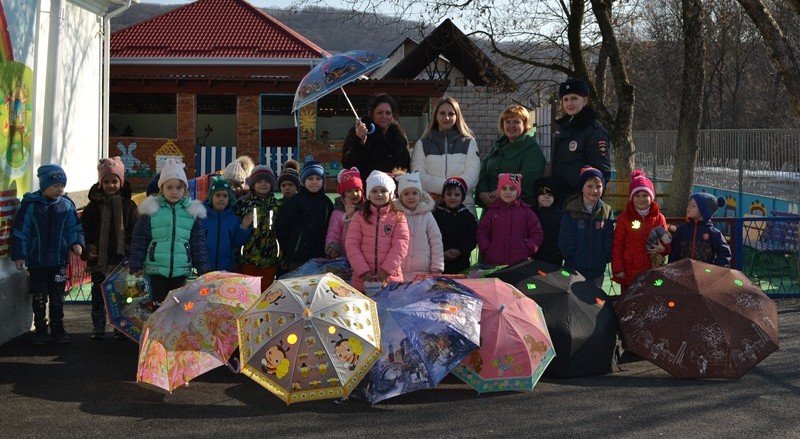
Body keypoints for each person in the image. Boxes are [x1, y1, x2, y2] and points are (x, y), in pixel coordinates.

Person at [11, 164, 85, 345]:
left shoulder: (66, 206)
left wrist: (76, 243)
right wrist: (20, 255)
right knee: (39, 296)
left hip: (59, 260)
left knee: (58, 296)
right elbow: (20, 231)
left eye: (62, 185)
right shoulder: (31, 206)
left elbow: (74, 228)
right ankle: (41, 329)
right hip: (37, 261)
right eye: (55, 185)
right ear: (44, 185)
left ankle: (58, 328)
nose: (59, 189)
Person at [130, 159, 210, 306]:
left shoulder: (191, 212)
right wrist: (136, 263)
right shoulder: (151, 210)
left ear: (185, 189)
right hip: (156, 270)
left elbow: (198, 243)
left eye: (179, 187)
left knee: (177, 309)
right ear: (162, 188)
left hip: (181, 271)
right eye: (169, 187)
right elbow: (139, 239)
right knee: (158, 308)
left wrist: (203, 267)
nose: (174, 191)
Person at [81, 157, 139, 340]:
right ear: (100, 183)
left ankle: (121, 328)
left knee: (123, 295)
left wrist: (132, 250)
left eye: (114, 181)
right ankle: (98, 328)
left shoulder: (129, 206)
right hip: (99, 258)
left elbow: (135, 230)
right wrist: (88, 247)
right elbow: (86, 230)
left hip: (122, 259)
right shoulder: (92, 207)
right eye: (106, 181)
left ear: (121, 182)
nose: (110, 185)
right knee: (98, 295)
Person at [411, 96, 480, 215]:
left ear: (457, 116)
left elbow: (472, 175)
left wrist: (452, 193)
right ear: (435, 116)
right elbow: (418, 176)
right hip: (431, 209)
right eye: (442, 113)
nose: (446, 117)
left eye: (451, 114)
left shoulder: (469, 142)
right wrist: (449, 189)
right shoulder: (422, 144)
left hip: (464, 209)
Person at [345, 170, 409, 293]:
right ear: (368, 194)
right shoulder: (359, 216)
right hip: (362, 281)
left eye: (383, 190)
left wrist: (386, 271)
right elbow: (352, 245)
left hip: (390, 280)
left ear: (390, 194)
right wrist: (362, 271)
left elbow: (401, 246)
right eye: (374, 191)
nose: (379, 194)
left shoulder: (398, 217)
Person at [551, 78, 612, 204]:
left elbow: (601, 171)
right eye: (565, 99)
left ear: (584, 100)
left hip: (581, 201)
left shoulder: (594, 130)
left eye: (574, 98)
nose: (569, 103)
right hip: (560, 198)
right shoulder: (562, 128)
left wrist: (590, 200)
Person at [475, 105, 546, 208]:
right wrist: (482, 192)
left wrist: (500, 192)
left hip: (518, 209)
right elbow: (483, 171)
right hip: (491, 207)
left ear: (525, 124)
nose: (511, 125)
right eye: (507, 122)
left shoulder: (532, 149)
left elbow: (528, 178)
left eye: (516, 122)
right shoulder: (498, 146)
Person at [611, 171, 668, 292]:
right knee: (629, 303)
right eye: (637, 195)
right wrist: (618, 269)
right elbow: (617, 245)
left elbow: (666, 242)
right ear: (631, 198)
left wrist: (664, 249)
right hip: (630, 271)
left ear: (651, 197)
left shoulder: (659, 218)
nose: (641, 199)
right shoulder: (624, 218)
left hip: (652, 270)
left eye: (645, 195)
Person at [558, 166, 613, 286]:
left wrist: (605, 256)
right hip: (574, 270)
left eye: (598, 186)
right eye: (589, 186)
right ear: (582, 187)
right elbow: (565, 238)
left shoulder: (607, 211)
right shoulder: (570, 209)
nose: (594, 190)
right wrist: (570, 257)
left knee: (594, 302)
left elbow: (609, 238)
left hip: (597, 270)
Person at [275, 161, 334, 271]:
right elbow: (281, 228)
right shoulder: (294, 202)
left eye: (318, 178)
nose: (314, 182)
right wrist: (290, 249)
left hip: (320, 256)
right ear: (303, 181)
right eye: (310, 178)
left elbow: (330, 228)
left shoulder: (327, 203)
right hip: (297, 257)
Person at [477, 173, 543, 266]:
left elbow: (537, 232)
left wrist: (529, 248)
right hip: (494, 261)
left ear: (518, 191)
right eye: (504, 188)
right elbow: (482, 232)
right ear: (499, 191)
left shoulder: (526, 212)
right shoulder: (491, 212)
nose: (508, 192)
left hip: (520, 262)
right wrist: (486, 249)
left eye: (512, 189)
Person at [233, 165, 281, 290]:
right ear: (253, 184)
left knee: (265, 296)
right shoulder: (243, 204)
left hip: (270, 258)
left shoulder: (278, 205)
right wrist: (243, 227)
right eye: (259, 181)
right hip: (248, 258)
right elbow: (233, 232)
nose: (263, 184)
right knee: (248, 293)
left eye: (266, 181)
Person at [342, 94, 411, 178]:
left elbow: (405, 166)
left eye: (388, 113)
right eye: (380, 113)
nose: (384, 116)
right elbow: (348, 164)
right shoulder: (359, 132)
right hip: (368, 187)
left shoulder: (398, 136)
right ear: (372, 114)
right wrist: (360, 141)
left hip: (393, 187)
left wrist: (397, 175)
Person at [393, 171, 444, 280]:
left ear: (420, 195)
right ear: (400, 196)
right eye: (406, 193)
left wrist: (436, 267)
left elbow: (436, 241)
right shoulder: (395, 215)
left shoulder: (427, 215)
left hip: (423, 272)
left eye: (414, 193)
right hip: (398, 271)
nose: (411, 197)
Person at [203, 176, 253, 272]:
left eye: (225, 196)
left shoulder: (233, 218)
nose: (221, 199)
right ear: (211, 197)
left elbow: (237, 242)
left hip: (227, 268)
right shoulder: (202, 217)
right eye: (217, 195)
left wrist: (244, 228)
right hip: (205, 268)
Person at [669, 192, 732, 267]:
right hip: (682, 272)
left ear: (704, 211)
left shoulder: (713, 233)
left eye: (693, 206)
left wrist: (713, 270)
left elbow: (725, 254)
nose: (688, 208)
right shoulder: (681, 230)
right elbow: (673, 253)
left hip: (704, 276)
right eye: (689, 204)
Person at [433, 177, 478, 274]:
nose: (453, 197)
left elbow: (472, 238)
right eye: (449, 194)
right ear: (443, 196)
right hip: (438, 264)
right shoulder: (435, 215)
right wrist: (442, 252)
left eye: (457, 195)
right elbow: (430, 237)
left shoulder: (468, 217)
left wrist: (460, 250)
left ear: (462, 197)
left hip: (461, 264)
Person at [326, 167, 363, 260]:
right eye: (349, 191)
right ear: (343, 194)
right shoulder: (338, 213)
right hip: (344, 256)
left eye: (357, 190)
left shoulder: (367, 209)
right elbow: (333, 234)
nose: (354, 194)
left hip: (364, 256)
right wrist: (332, 249)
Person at [531, 176, 563, 266]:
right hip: (535, 256)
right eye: (542, 194)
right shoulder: (531, 214)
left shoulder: (559, 215)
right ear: (536, 196)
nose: (546, 197)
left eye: (550, 195)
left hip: (555, 257)